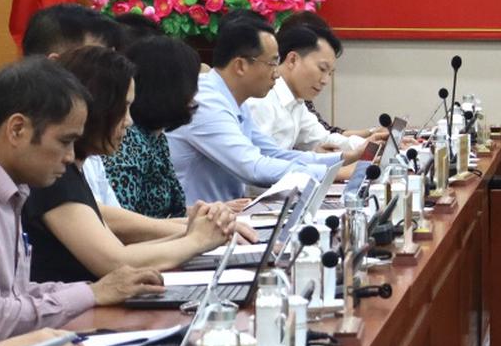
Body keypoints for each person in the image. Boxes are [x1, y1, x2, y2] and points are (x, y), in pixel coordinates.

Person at [0, 57, 162, 342]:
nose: (69, 156)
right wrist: (90, 294)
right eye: (65, 141)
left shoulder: (13, 192)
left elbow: (17, 294)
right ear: (17, 129)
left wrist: (95, 290)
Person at [22, 47, 231, 283]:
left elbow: (120, 250)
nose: (129, 122)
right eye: (123, 108)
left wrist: (195, 233)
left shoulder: (72, 171)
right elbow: (114, 262)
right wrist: (196, 240)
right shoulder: (52, 176)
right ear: (96, 109)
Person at [168, 15, 344, 202]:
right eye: (272, 63)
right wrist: (330, 173)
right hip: (192, 217)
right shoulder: (206, 102)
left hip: (226, 212)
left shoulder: (235, 100)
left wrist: (340, 159)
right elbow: (253, 167)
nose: (277, 74)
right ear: (241, 66)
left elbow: (273, 153)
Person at [247, 23, 384, 161]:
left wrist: (369, 145)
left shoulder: (296, 102)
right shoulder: (261, 99)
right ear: (293, 60)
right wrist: (315, 158)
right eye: (322, 69)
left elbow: (323, 139)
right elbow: (260, 161)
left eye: (330, 73)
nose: (325, 81)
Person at [103, 36, 199, 219]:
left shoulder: (155, 136)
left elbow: (172, 211)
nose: (195, 93)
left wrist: (209, 213)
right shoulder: (127, 140)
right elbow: (123, 221)